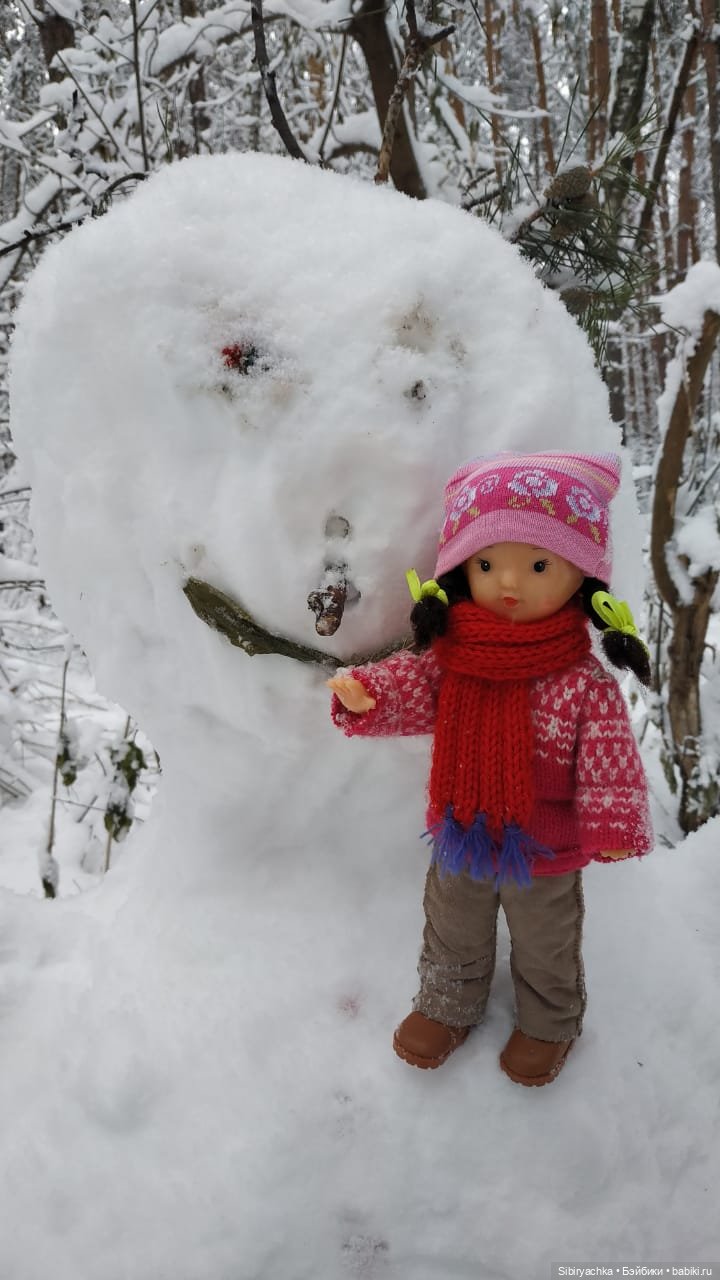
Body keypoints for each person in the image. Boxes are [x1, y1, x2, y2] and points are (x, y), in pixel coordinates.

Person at [327, 451, 652, 1087]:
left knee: (546, 943)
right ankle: (447, 1006)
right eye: (485, 564)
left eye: (537, 565)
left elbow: (609, 761)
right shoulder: (454, 656)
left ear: (580, 577)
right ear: (461, 571)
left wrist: (613, 827)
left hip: (547, 849)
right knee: (452, 929)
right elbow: (414, 686)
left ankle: (549, 1020)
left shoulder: (582, 680)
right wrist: (370, 694)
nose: (509, 583)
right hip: (462, 830)